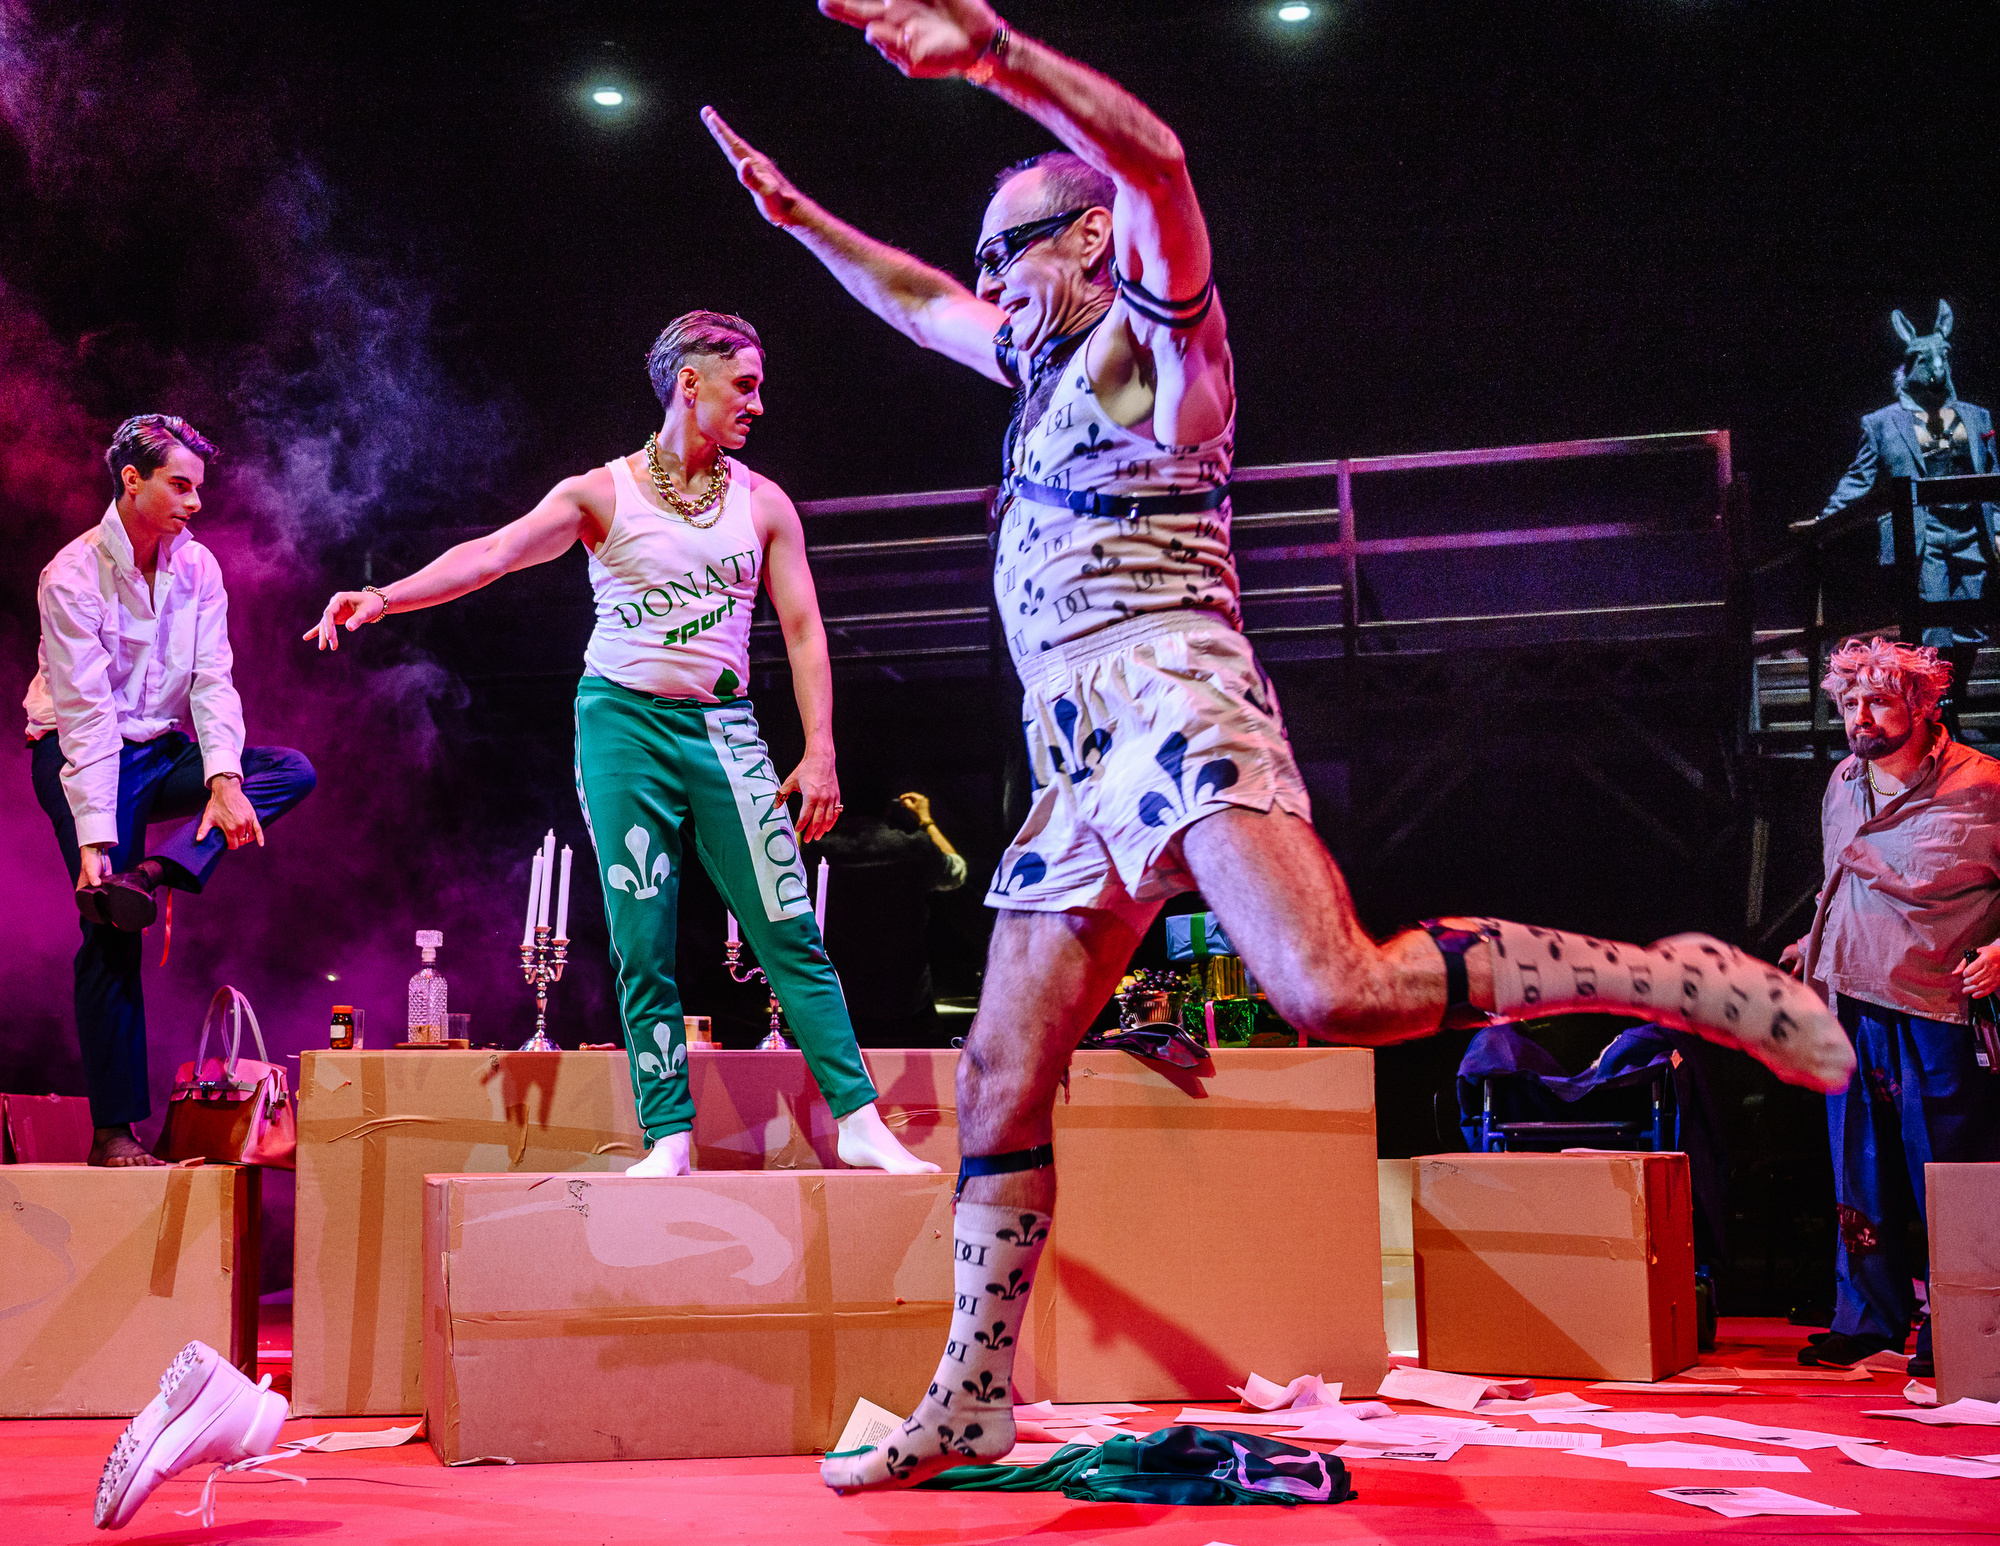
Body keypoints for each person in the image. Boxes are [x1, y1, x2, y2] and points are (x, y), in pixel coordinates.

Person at [707, 2, 1854, 1492]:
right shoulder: (1045, 370)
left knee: (1333, 989)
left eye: (1010, 251)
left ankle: (1674, 976)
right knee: (997, 1074)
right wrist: (798, 221)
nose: (985, 283)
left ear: (1090, 240)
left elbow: (1161, 164)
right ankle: (973, 1394)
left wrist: (993, 57)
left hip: (1178, 701)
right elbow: (921, 300)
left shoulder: (1160, 359)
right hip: (1073, 755)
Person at [305, 311, 934, 1179]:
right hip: (621, 725)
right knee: (643, 937)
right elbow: (492, 555)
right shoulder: (601, 493)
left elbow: (803, 630)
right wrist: (384, 597)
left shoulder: (763, 502)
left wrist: (819, 747)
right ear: (690, 383)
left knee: (788, 923)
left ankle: (858, 1119)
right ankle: (668, 1135)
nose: (758, 404)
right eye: (745, 385)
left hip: (723, 726)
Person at [26, 414, 317, 1169]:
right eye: (180, 486)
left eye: (198, 488)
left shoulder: (198, 567)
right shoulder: (71, 575)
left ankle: (151, 874)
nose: (195, 502)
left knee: (287, 770)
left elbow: (213, 681)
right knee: (109, 933)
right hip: (80, 754)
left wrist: (223, 781)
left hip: (159, 751)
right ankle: (113, 1133)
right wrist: (95, 840)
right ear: (133, 481)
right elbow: (87, 718)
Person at [1781, 637, 2000, 1374]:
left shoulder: (1984, 784)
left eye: (1877, 701)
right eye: (1850, 704)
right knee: (1858, 1168)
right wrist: (1811, 942)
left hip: (1935, 1003)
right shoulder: (1844, 781)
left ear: (1925, 704)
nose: (1861, 718)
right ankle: (1868, 1316)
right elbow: (1839, 876)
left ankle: (1959, 1326)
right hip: (1848, 994)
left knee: (1948, 1173)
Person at [1806, 303, 1999, 737]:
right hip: (1923, 536)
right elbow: (1858, 481)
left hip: (1970, 532)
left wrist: (1999, 527)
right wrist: (1824, 523)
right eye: (1924, 359)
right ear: (1909, 365)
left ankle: (1951, 703)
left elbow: (1992, 474)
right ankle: (1939, 719)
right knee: (1933, 628)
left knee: (1969, 626)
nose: (1935, 367)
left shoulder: (1976, 417)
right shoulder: (1883, 424)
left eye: (1941, 356)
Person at [814, 787, 968, 1044]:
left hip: (842, 998)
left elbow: (784, 871)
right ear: (888, 807)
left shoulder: (820, 851)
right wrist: (926, 820)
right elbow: (957, 872)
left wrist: (808, 817)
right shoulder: (914, 847)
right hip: (907, 998)